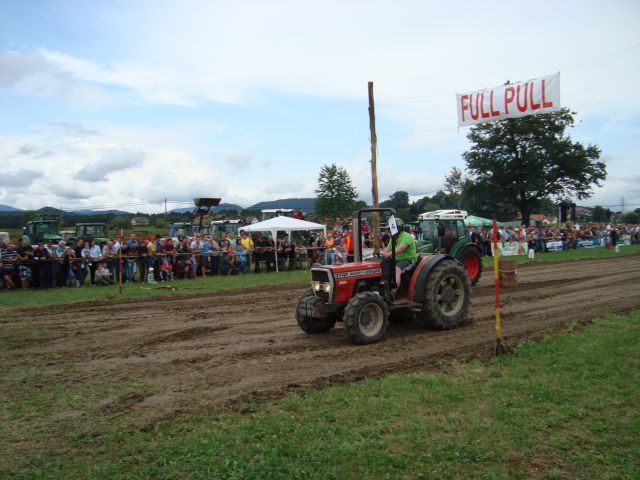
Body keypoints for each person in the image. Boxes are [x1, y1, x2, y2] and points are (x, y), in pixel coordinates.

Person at [382, 219, 417, 296]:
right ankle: (383, 287)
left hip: (408, 260)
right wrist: (383, 254)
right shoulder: (393, 238)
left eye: (391, 229)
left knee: (396, 269)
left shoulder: (406, 236)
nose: (389, 231)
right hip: (396, 260)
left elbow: (401, 248)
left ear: (397, 228)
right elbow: (386, 250)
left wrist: (389, 254)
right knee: (383, 267)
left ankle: (392, 292)